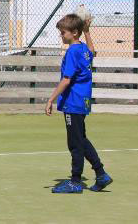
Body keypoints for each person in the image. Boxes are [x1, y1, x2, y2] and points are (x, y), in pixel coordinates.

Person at [45, 13, 113, 193]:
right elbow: (92, 51)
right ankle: (101, 174)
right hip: (82, 101)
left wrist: (51, 99)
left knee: (75, 143)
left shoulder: (73, 52)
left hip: (72, 102)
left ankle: (75, 181)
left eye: (63, 33)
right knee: (81, 140)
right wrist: (88, 32)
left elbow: (67, 79)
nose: (61, 36)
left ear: (74, 33)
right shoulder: (82, 49)